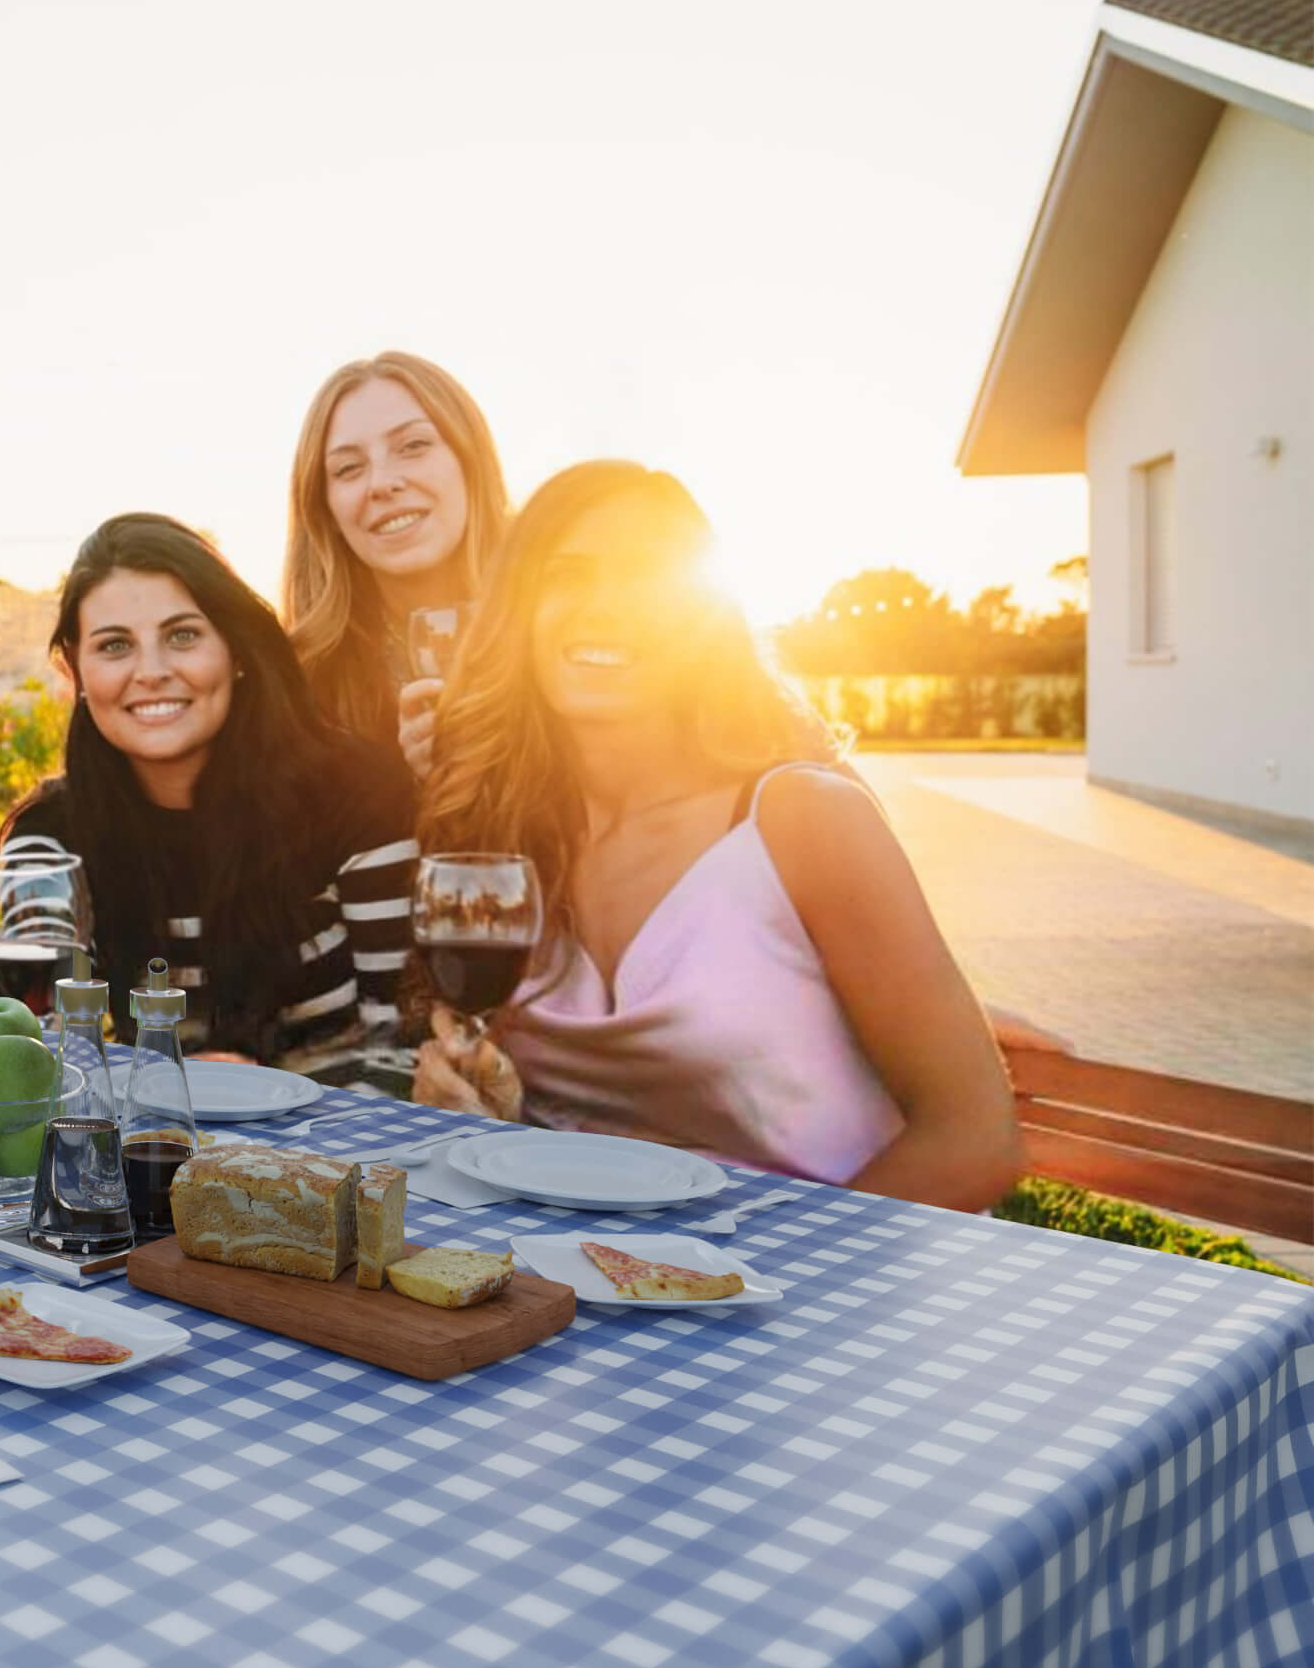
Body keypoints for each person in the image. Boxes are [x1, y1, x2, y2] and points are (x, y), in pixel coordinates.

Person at [410, 461, 1026, 1208]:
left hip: (831, 1284)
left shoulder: (801, 820)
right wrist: (476, 1102)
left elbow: (977, 1141)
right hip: (608, 1271)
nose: (602, 608)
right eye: (566, 573)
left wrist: (762, 1285)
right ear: (520, 611)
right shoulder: (502, 836)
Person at [4, 515, 417, 1063]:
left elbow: (405, 1048)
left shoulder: (359, 795)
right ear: (76, 673)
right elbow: (41, 1054)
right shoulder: (47, 843)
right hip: (148, 1141)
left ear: (237, 650)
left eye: (183, 636)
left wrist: (262, 1125)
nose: (150, 671)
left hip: (348, 1140)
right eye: (114, 646)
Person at [279, 350, 515, 777]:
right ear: (325, 510)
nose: (383, 483)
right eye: (349, 468)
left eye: (414, 446)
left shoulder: (554, 635)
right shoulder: (298, 688)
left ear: (470, 461)